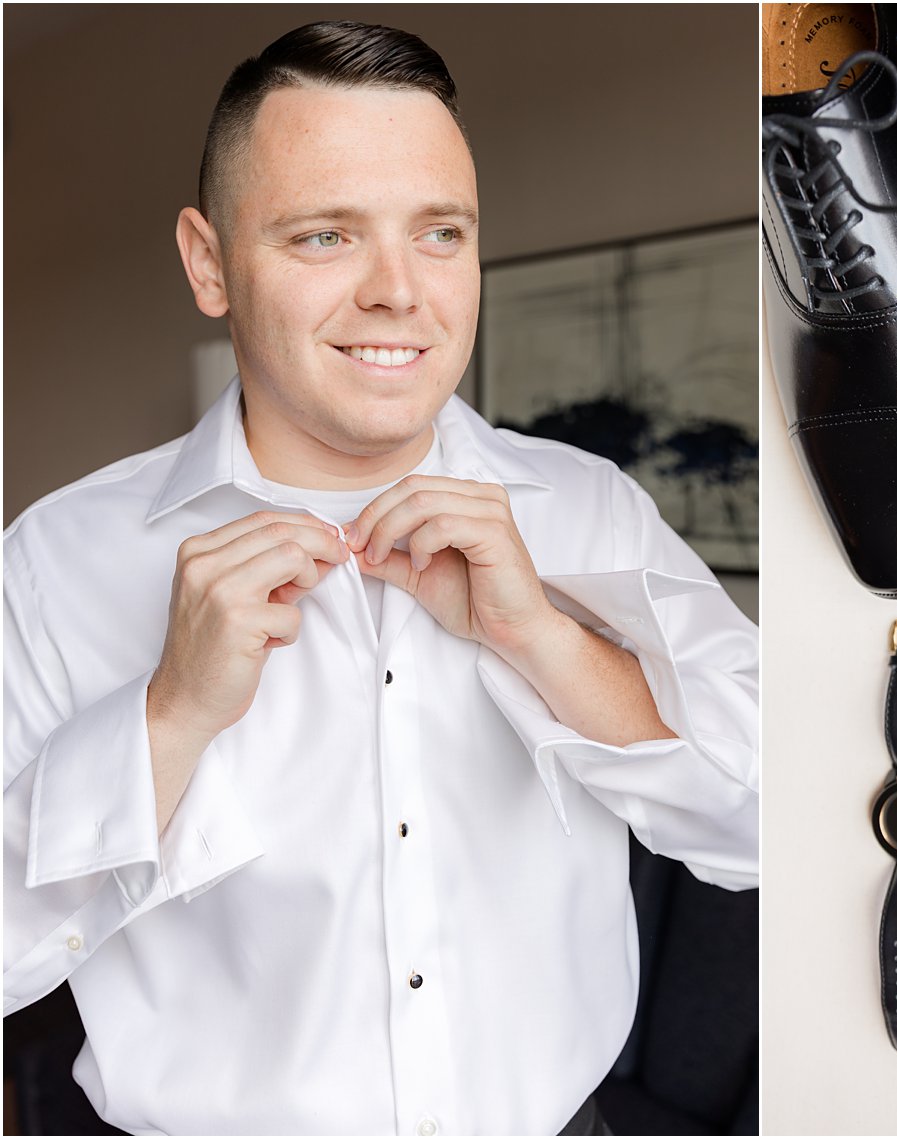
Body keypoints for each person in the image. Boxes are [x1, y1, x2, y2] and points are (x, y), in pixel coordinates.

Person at [2, 21, 757, 1136]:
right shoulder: (57, 559)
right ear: (208, 263)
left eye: (439, 234)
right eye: (324, 237)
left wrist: (547, 640)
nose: (398, 291)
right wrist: (165, 720)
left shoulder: (589, 505)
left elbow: (766, 826)